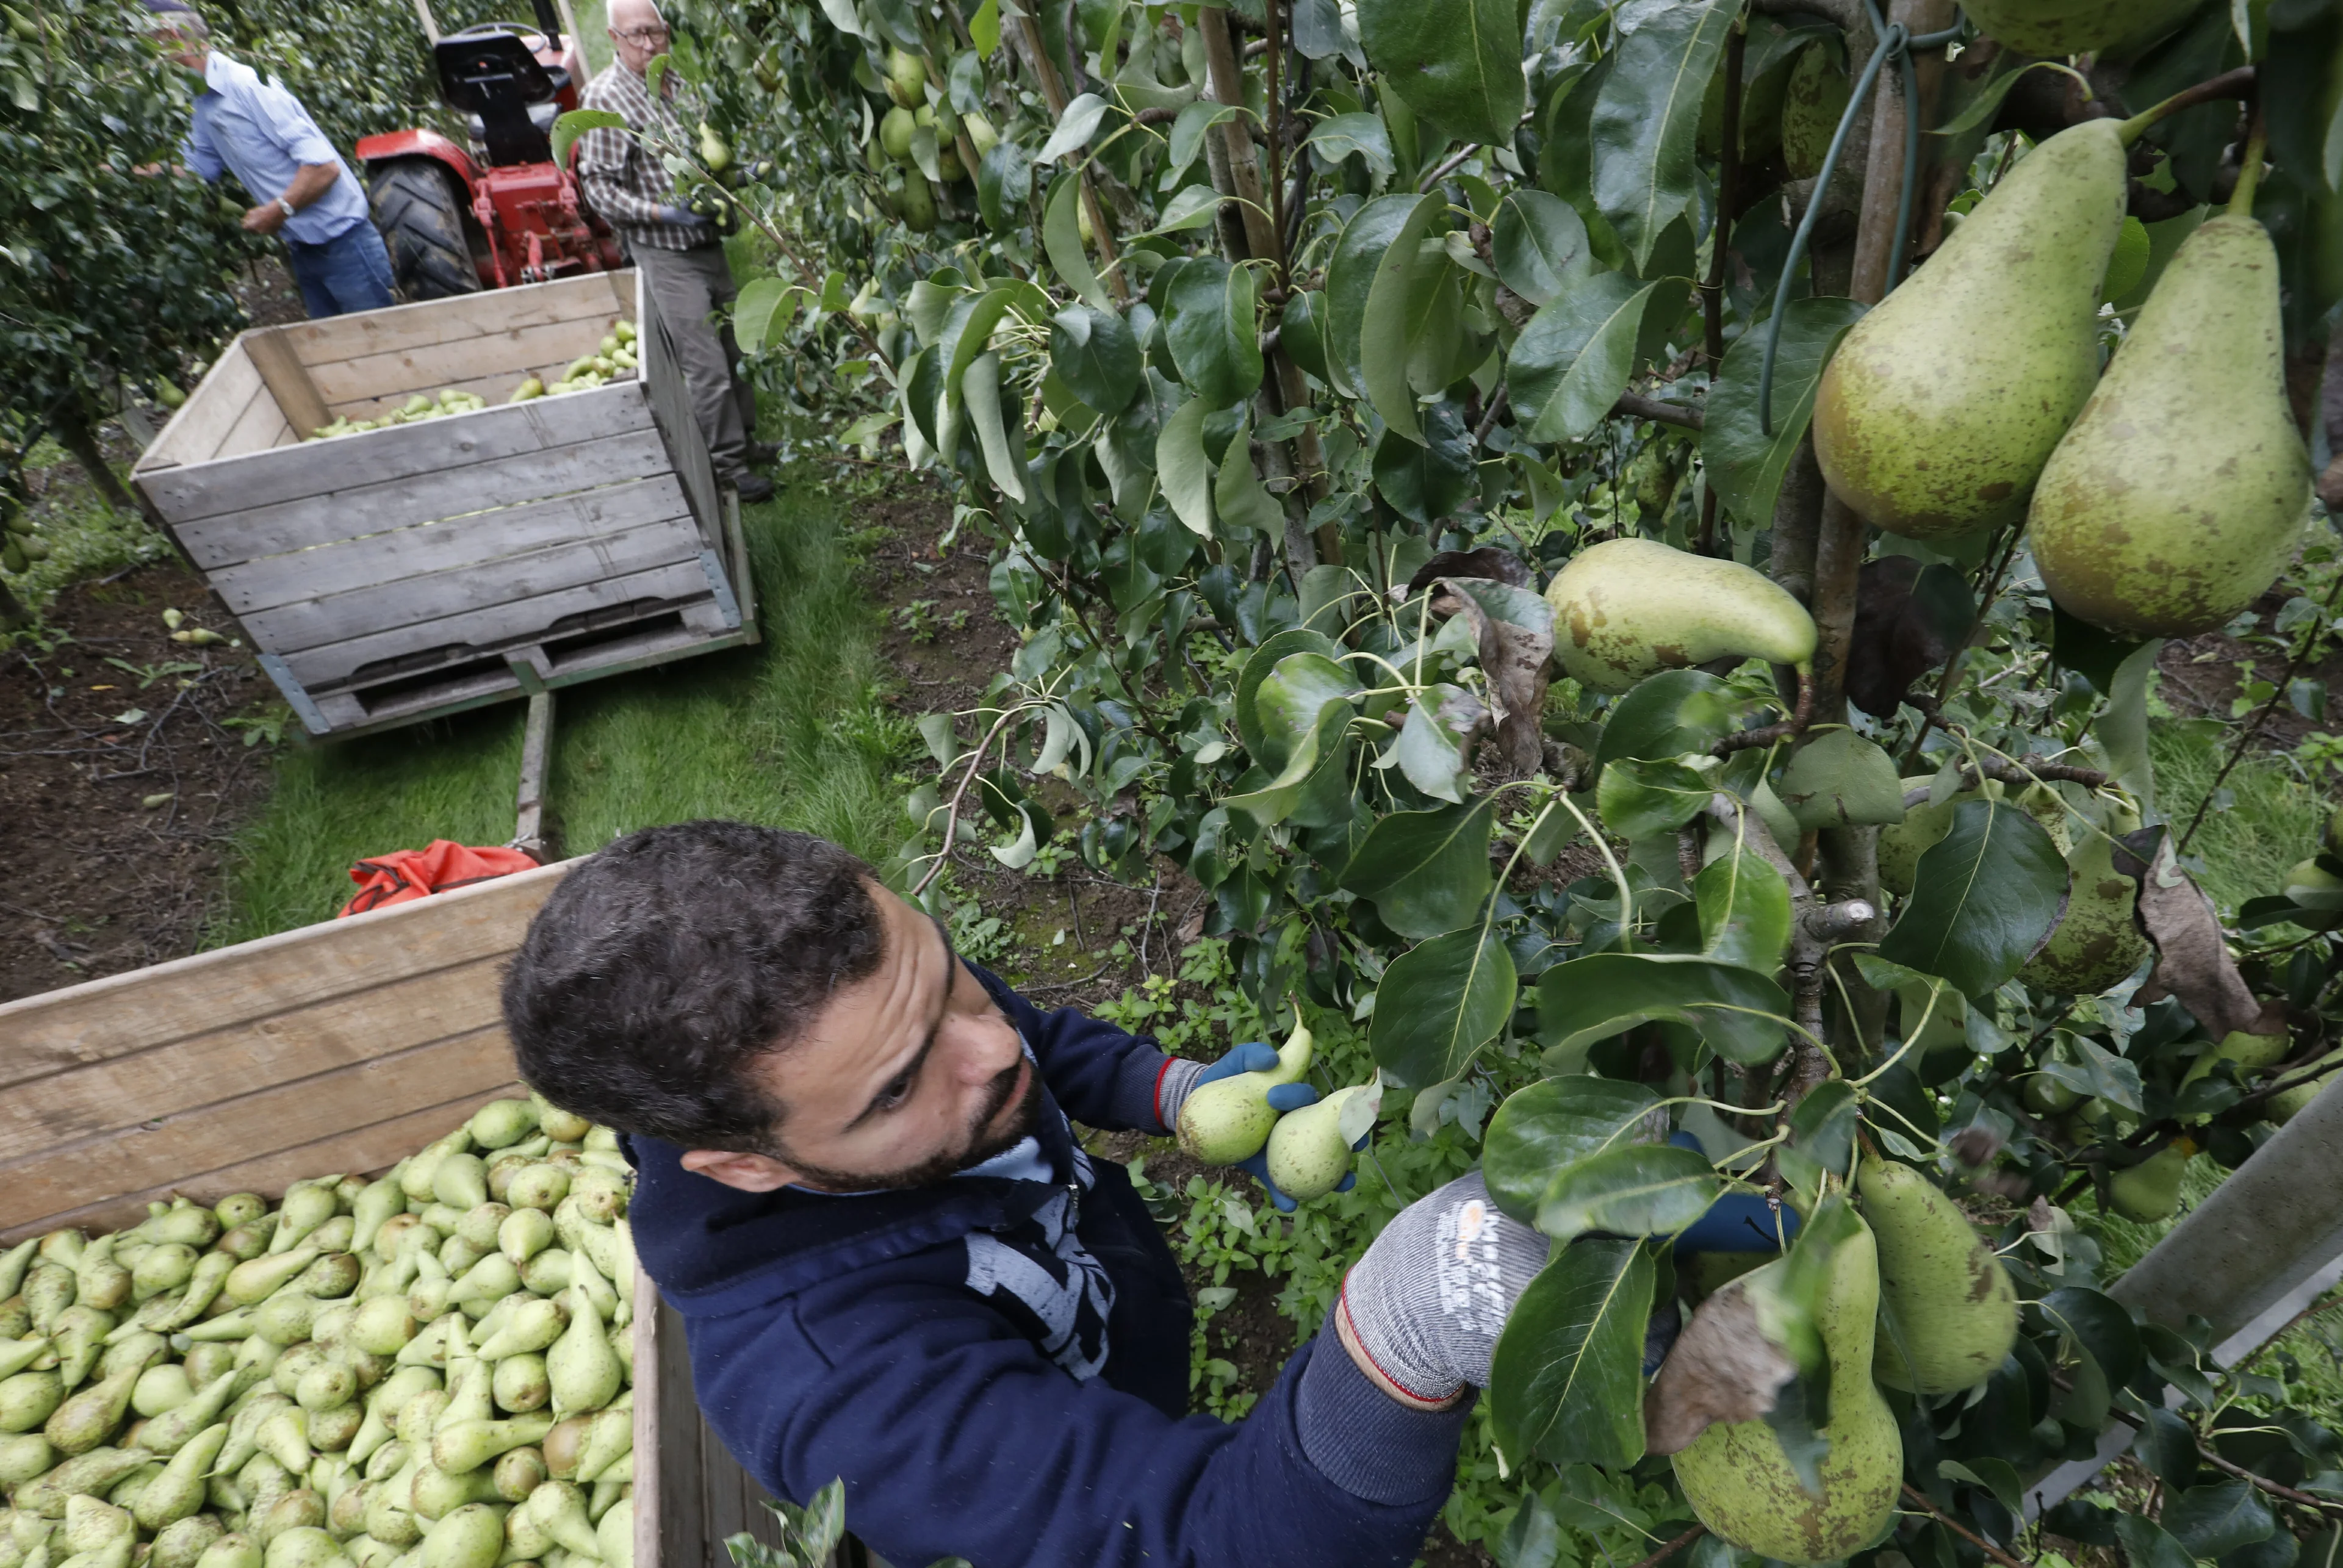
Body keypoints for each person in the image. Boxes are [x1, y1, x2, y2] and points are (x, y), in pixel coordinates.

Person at [499, 821, 1553, 1568]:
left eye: (951, 974)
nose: (993, 1044)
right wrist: (1404, 1321)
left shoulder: (889, 1020)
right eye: (903, 1084)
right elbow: (1203, 1546)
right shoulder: (846, 1396)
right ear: (749, 1165)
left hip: (1106, 1339)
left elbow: (1030, 1041)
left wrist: (1178, 1093)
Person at [574, 0, 774, 503]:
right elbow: (599, 191)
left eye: (656, 33)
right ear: (614, 38)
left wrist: (743, 174)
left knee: (734, 347)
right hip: (666, 251)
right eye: (636, 35)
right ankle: (728, 468)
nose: (649, 45)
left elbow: (706, 161)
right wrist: (666, 214)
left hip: (705, 240)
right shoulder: (605, 101)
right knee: (705, 362)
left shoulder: (675, 85)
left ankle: (746, 441)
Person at [148, 6, 398, 320]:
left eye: (148, 41)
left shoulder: (246, 85)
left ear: (171, 37)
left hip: (346, 246)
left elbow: (324, 167)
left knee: (380, 347)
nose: (148, 56)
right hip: (304, 248)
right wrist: (127, 173)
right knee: (338, 355)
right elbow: (199, 169)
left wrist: (279, 210)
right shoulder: (203, 101)